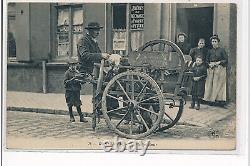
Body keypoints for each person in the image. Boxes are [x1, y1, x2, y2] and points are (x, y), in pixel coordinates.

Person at [204, 34, 228, 106]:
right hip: (211, 69)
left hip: (219, 69)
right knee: (210, 84)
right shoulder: (209, 51)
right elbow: (206, 60)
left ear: (218, 42)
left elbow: (226, 60)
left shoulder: (222, 50)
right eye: (212, 41)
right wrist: (209, 64)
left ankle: (219, 100)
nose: (214, 43)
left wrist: (219, 62)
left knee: (218, 84)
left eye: (215, 41)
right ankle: (211, 100)